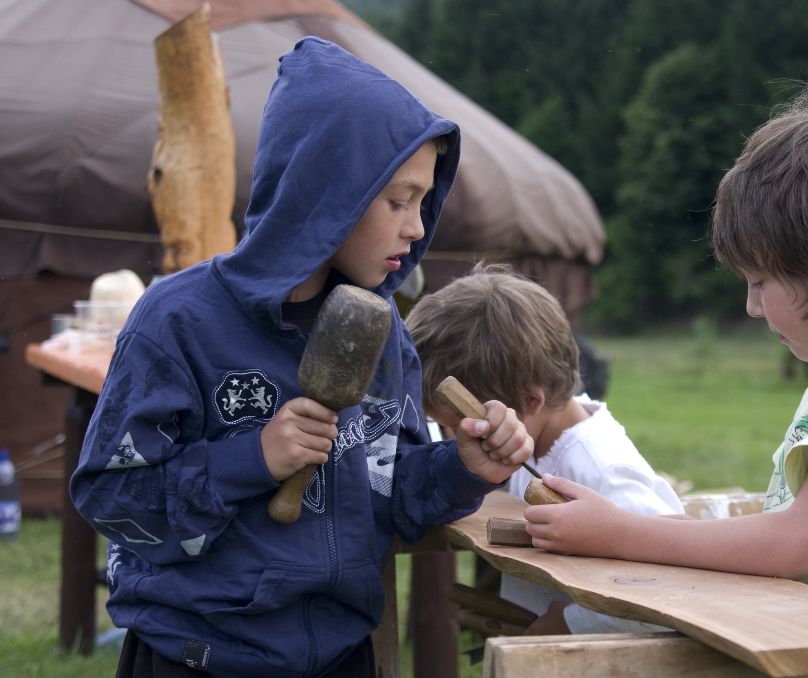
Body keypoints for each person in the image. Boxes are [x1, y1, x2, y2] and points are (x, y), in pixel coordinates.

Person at [69, 38, 532, 678]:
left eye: (424, 201)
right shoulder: (178, 322)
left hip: (340, 658)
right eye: (397, 200)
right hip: (196, 660)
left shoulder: (380, 334)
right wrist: (250, 459)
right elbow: (113, 497)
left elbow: (393, 498)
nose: (418, 227)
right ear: (326, 190)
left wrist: (463, 467)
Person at [523, 86, 808, 620]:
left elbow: (797, 543)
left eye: (759, 282)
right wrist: (619, 524)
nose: (752, 307)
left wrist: (619, 532)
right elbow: (780, 534)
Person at [406, 263, 683, 634]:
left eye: (457, 426)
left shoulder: (600, 468)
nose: (455, 438)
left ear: (530, 402)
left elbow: (670, 594)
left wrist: (568, 624)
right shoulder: (541, 438)